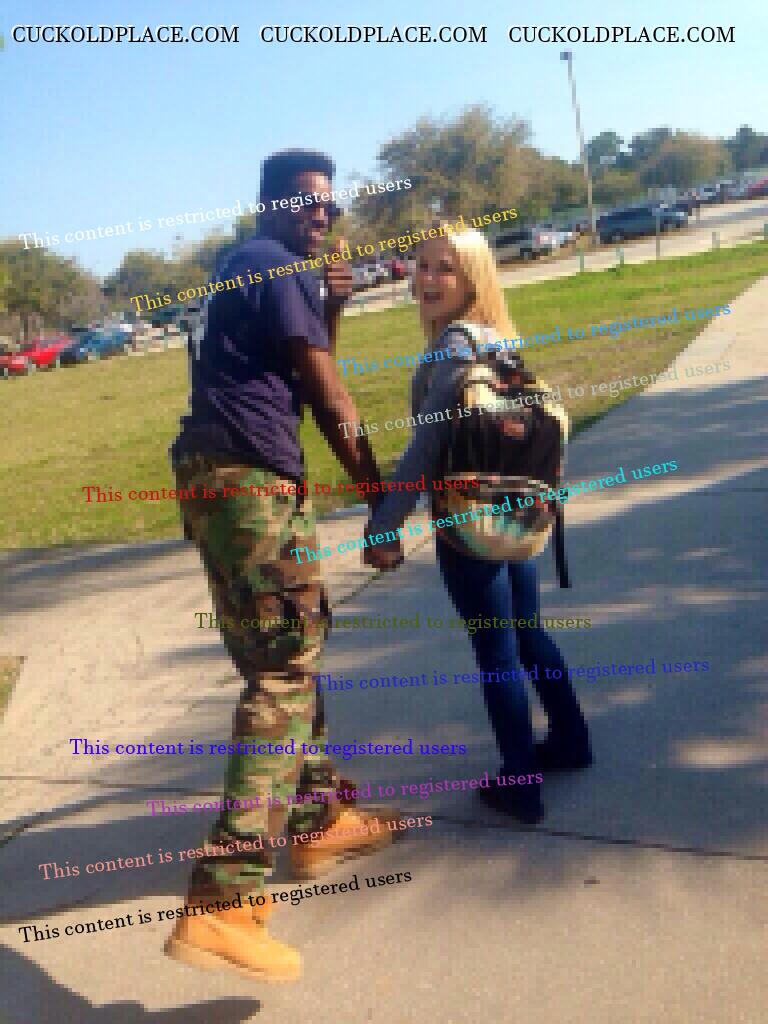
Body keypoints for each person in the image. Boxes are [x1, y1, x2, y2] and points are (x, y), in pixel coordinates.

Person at [166, 149, 402, 982]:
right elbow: (328, 396)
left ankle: (317, 817)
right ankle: (225, 898)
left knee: (283, 652)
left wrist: (329, 309)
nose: (322, 216)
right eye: (306, 202)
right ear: (268, 205)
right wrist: (381, 501)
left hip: (214, 478)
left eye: (330, 205)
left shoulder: (240, 266)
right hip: (252, 481)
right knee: (282, 673)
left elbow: (295, 367)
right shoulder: (276, 264)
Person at [363, 227, 591, 824]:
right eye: (421, 265)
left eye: (446, 268)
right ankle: (571, 739)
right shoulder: (498, 338)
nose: (428, 279)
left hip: (469, 524)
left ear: (473, 278)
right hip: (516, 515)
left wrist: (386, 527)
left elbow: (424, 448)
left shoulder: (453, 348)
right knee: (528, 633)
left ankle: (521, 785)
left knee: (497, 652)